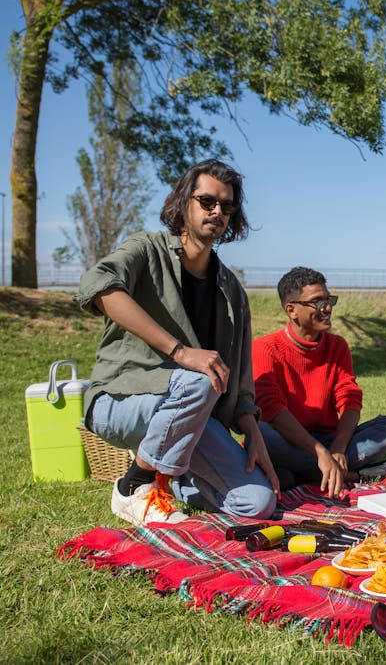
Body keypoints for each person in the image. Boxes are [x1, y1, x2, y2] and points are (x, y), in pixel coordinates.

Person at [76, 159, 279, 527]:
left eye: (227, 206)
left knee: (258, 503)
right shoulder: (146, 249)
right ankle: (132, 485)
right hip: (120, 401)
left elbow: (240, 380)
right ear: (184, 201)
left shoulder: (232, 291)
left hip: (192, 413)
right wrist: (181, 352)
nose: (217, 211)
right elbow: (96, 285)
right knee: (199, 379)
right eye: (207, 201)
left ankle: (177, 476)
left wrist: (253, 432)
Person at [253, 267, 386, 497]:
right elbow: (272, 411)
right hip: (285, 438)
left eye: (328, 299)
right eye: (317, 302)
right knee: (262, 433)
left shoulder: (337, 346)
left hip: (328, 439)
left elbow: (350, 399)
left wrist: (337, 449)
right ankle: (352, 476)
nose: (327, 308)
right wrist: (320, 454)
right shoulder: (265, 348)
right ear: (291, 310)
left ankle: (301, 474)